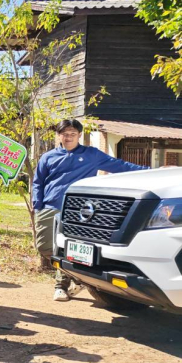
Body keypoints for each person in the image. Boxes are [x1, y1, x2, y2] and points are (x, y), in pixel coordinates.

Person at [32, 118, 149, 302]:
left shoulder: (92, 155)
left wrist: (149, 170)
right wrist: (37, 205)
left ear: (79, 135)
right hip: (50, 206)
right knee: (45, 246)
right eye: (64, 134)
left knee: (70, 247)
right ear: (59, 135)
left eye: (72, 134)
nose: (68, 137)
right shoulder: (49, 157)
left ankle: (61, 286)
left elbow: (121, 166)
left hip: (78, 211)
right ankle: (78, 276)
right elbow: (38, 182)